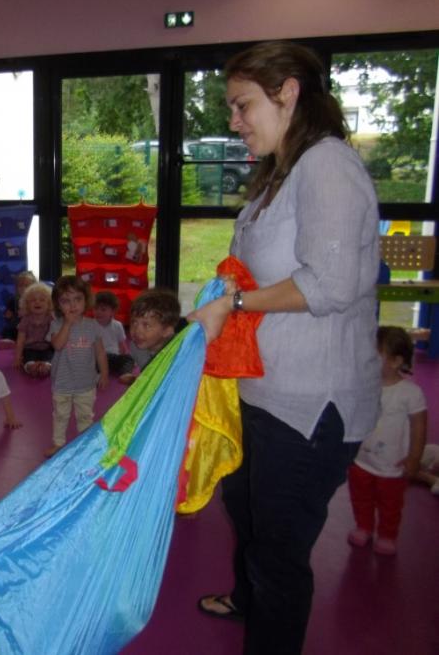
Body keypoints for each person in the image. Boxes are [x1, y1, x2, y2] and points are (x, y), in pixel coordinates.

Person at [188, 41, 381, 655]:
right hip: (263, 389)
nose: (234, 121)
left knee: (279, 552)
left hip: (310, 404)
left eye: (242, 105)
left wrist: (236, 304)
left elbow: (331, 284)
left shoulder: (327, 166)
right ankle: (247, 600)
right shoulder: (282, 172)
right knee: (245, 508)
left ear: (288, 92)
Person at [347, 327, 427, 555]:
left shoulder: (410, 393)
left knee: (390, 504)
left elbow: (419, 427)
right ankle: (363, 526)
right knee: (360, 498)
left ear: (395, 361)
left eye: (375, 356)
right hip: (361, 460)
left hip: (392, 465)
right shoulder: (363, 386)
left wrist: (414, 458)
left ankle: (387, 534)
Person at [45, 275, 108, 458]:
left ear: (86, 300)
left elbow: (100, 352)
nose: (72, 305)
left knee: (85, 416)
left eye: (77, 299)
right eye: (66, 301)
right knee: (60, 415)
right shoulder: (56, 324)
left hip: (86, 383)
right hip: (62, 383)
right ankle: (58, 443)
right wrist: (67, 324)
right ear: (58, 305)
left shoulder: (92, 325)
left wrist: (104, 373)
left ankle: (84, 444)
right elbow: (57, 345)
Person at [119, 289, 182, 385]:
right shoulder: (136, 347)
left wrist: (134, 381)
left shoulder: (177, 352)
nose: (136, 330)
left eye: (146, 325)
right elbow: (150, 377)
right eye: (134, 322)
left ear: (167, 331)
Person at [13, 281, 55, 378]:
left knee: (51, 358)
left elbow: (56, 336)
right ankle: (31, 367)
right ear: (27, 304)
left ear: (49, 304)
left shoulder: (51, 319)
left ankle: (46, 367)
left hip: (47, 348)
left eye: (42, 300)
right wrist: (17, 357)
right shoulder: (26, 320)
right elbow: (20, 340)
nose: (37, 302)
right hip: (30, 348)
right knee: (27, 359)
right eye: (33, 300)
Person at [93, 290, 133, 380]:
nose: (98, 312)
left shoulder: (117, 325)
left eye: (103, 309)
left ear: (113, 311)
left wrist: (126, 354)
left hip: (113, 357)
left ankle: (126, 374)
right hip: (98, 358)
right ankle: (97, 375)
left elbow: (122, 344)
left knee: (128, 358)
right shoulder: (90, 325)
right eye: (96, 308)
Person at [0, 270, 37, 348]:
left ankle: (31, 340)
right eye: (21, 286)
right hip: (17, 326)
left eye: (27, 286)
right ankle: (9, 340)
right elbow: (8, 315)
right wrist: (8, 315)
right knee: (7, 329)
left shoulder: (36, 300)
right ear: (16, 288)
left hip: (32, 326)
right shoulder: (14, 300)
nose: (24, 288)